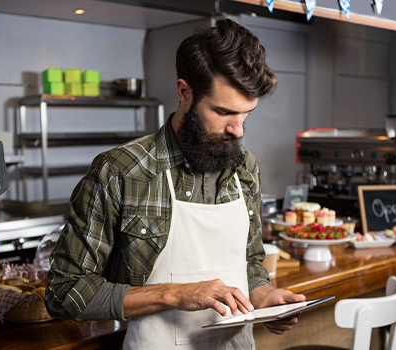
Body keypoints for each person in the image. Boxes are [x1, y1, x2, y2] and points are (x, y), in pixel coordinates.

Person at [45, 19, 304, 349]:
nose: (238, 130)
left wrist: (265, 296)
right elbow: (64, 291)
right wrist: (176, 294)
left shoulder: (245, 169)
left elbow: (250, 262)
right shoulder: (121, 171)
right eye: (224, 112)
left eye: (246, 114)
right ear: (185, 92)